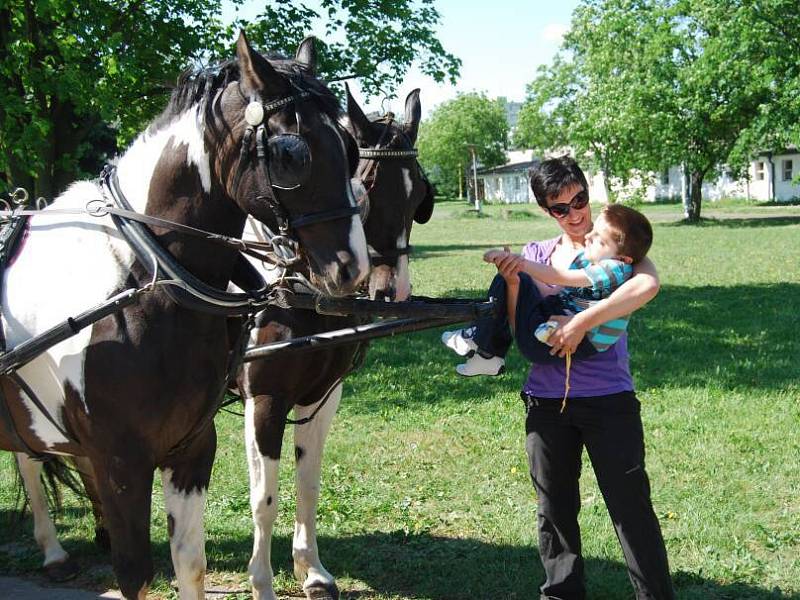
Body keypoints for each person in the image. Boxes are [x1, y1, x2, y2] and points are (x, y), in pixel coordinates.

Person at [443, 156, 674, 599]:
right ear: (546, 211)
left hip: (609, 399)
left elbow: (647, 286)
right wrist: (512, 283)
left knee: (631, 509)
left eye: (580, 200)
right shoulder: (536, 254)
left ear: (589, 194)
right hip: (546, 401)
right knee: (554, 510)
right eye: (560, 208)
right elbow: (517, 322)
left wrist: (583, 322)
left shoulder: (617, 244)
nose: (575, 214)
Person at [478, 203, 653, 369]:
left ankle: (485, 349)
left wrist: (519, 263)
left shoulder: (616, 268)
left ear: (623, 258)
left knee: (516, 276)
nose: (588, 236)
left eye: (600, 241)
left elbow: (559, 277)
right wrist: (515, 279)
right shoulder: (597, 261)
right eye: (594, 232)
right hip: (550, 332)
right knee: (512, 278)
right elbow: (555, 290)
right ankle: (485, 348)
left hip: (561, 342)